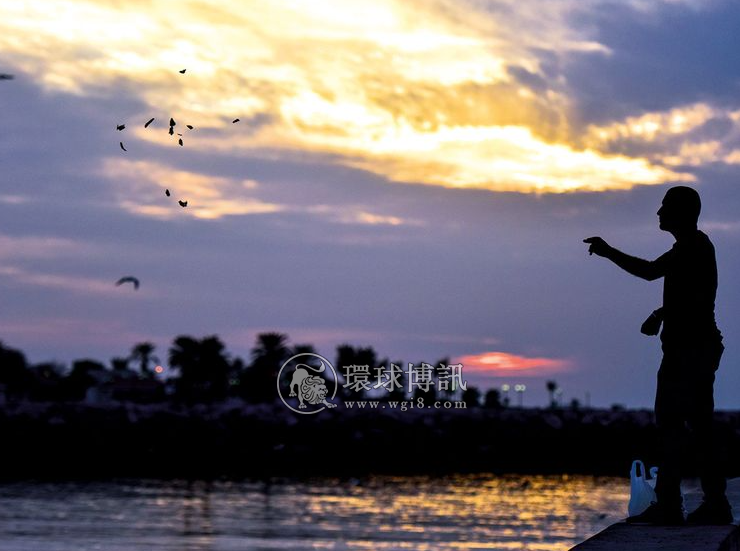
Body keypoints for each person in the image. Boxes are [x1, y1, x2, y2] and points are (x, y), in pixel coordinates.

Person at [584, 186, 732, 526]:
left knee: (672, 426)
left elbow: (650, 272)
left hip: (688, 353)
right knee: (694, 427)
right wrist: (662, 313)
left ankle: (674, 504)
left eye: (665, 206)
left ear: (682, 212)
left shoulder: (692, 247)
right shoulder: (691, 247)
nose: (658, 212)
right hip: (695, 349)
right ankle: (709, 502)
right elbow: (690, 294)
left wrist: (607, 251)